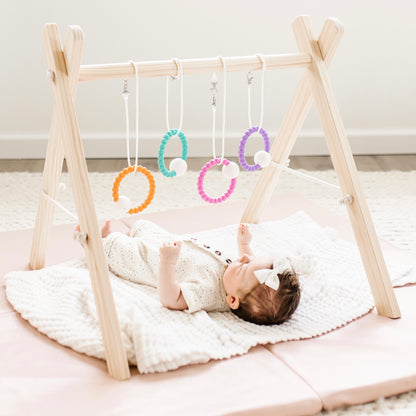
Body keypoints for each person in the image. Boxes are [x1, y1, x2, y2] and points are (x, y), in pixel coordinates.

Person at [98, 219, 300, 325]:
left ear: (232, 301)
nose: (245, 258)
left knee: (119, 250)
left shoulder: (208, 293)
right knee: (145, 228)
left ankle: (98, 242)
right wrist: (244, 243)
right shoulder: (239, 279)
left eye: (246, 264)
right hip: (171, 242)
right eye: (252, 258)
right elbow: (250, 264)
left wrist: (168, 262)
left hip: (150, 261)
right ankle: (120, 236)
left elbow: (171, 298)